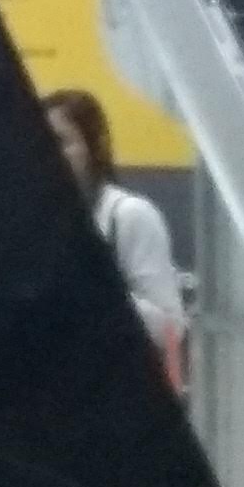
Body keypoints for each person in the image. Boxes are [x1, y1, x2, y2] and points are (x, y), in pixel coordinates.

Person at [40, 88, 184, 364]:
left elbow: (170, 329)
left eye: (61, 141)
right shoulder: (35, 219)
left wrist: (95, 285)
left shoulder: (129, 215)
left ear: (94, 146)